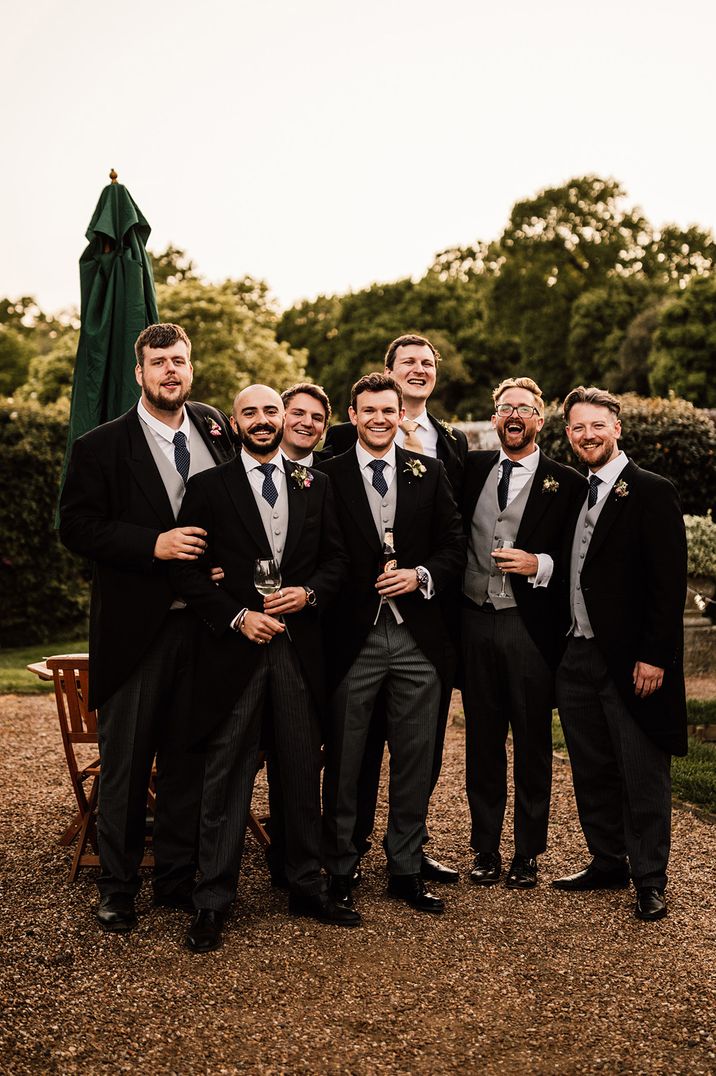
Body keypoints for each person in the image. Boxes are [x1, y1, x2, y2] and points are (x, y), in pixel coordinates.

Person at [59, 322, 235, 933]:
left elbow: (233, 508)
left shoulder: (216, 428)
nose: (169, 371)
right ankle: (117, 887)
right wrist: (152, 544)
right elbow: (77, 527)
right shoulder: (100, 447)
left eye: (179, 361)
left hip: (206, 629)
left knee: (190, 759)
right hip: (138, 632)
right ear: (140, 372)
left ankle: (175, 881)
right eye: (158, 362)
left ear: (192, 368)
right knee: (127, 764)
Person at [170, 384, 356, 952]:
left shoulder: (317, 483)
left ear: (283, 418)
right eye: (249, 411)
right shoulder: (206, 487)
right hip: (235, 653)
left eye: (270, 410)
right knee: (226, 776)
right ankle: (213, 899)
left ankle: (305, 884)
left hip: (299, 650)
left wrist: (308, 595)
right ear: (234, 421)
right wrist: (237, 618)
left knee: (301, 771)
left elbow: (338, 560)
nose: (261, 419)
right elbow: (188, 574)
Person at [323, 334, 468, 883]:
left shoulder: (428, 472)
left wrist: (420, 575)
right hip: (353, 637)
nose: (381, 419)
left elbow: (454, 545)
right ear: (354, 416)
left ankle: (406, 865)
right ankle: (339, 866)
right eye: (371, 411)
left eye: (389, 410)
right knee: (345, 761)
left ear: (398, 414)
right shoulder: (327, 476)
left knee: (415, 761)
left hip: (417, 639)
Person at [552, 386, 687, 922]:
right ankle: (608, 859)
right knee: (591, 767)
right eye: (578, 427)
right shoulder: (570, 493)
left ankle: (650, 877)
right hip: (577, 655)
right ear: (569, 435)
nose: (588, 435)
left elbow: (668, 582)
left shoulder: (652, 491)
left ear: (617, 427)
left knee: (642, 771)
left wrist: (655, 656)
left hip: (633, 662)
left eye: (597, 425)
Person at [460, 377, 585, 889]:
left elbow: (581, 557)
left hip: (527, 627)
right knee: (482, 743)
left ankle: (527, 852)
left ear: (540, 420)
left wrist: (539, 563)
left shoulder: (568, 482)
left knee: (532, 742)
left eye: (525, 408)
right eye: (505, 407)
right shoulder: (470, 469)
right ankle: (486, 849)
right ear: (495, 419)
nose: (514, 414)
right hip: (473, 619)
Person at [280, 382, 331, 466]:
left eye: (316, 418)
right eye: (298, 414)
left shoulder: (335, 473)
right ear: (280, 418)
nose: (307, 423)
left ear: (324, 429)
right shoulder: (254, 462)